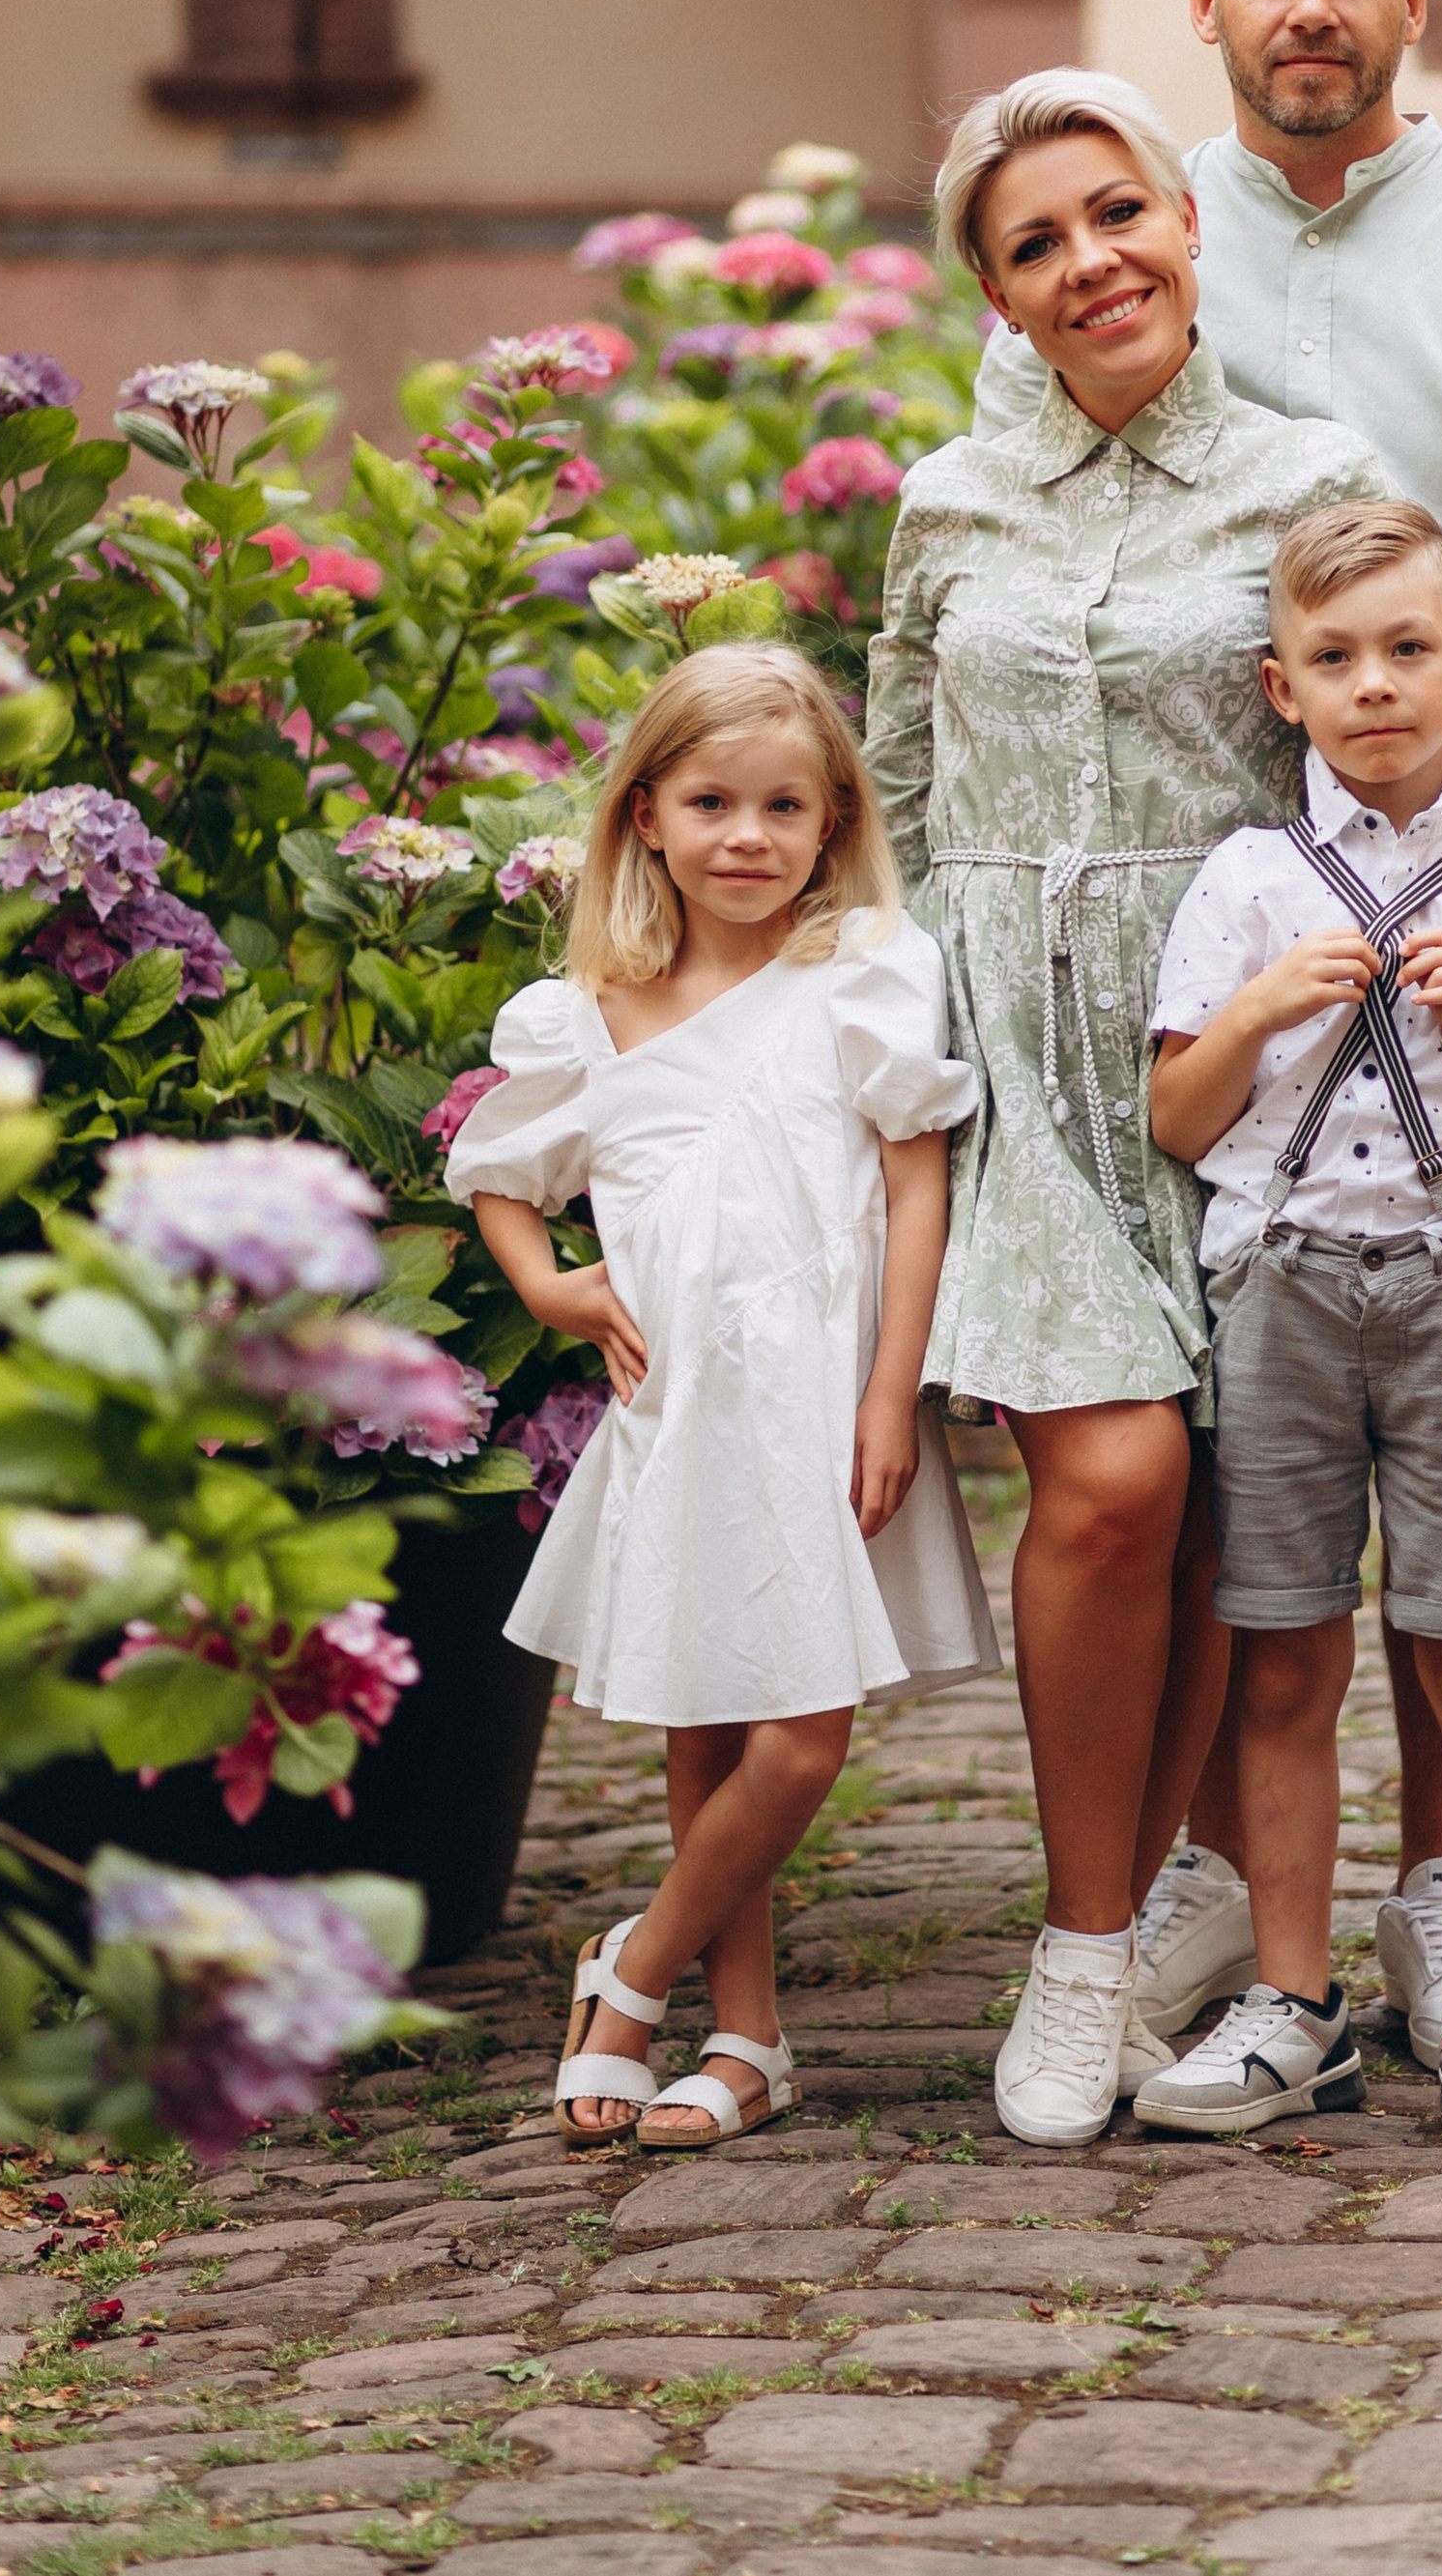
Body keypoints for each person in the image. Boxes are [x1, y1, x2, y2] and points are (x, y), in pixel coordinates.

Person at [971, 0, 1442, 2068]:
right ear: (1202, 2)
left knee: (1437, 1432)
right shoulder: (1128, 219)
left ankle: (1419, 1919)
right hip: (1173, 993)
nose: (1307, 7)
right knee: (1221, 1457)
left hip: (1437, 984)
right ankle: (1224, 1901)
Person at [862, 71, 1388, 2144]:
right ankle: (1082, 1954)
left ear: (1183, 218)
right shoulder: (939, 505)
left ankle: (1172, 1901)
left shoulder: (1306, 477)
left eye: (1116, 213)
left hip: (1233, 1043)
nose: (1089, 262)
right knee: (1103, 1482)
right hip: (1014, 1053)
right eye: (1032, 242)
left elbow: (1389, 737)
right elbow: (900, 784)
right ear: (990, 292)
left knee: (1218, 1497)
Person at [1133, 499, 1442, 2153]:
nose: (1373, 685)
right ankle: (1293, 2003)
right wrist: (1268, 1005)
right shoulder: (1248, 879)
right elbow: (1177, 1117)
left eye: (1406, 650)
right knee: (1281, 1655)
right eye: (1334, 658)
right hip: (1280, 1291)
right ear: (1282, 690)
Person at [446, 643, 996, 2148]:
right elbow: (498, 1172)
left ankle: (629, 1972)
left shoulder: (863, 974)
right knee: (706, 1712)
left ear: (832, 822)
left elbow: (914, 1183)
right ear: (644, 816)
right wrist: (553, 1284)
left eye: (783, 806)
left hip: (821, 1392)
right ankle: (747, 2035)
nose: (746, 836)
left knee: (799, 1734)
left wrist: (896, 1393)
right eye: (710, 802)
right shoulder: (589, 1010)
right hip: (682, 1400)